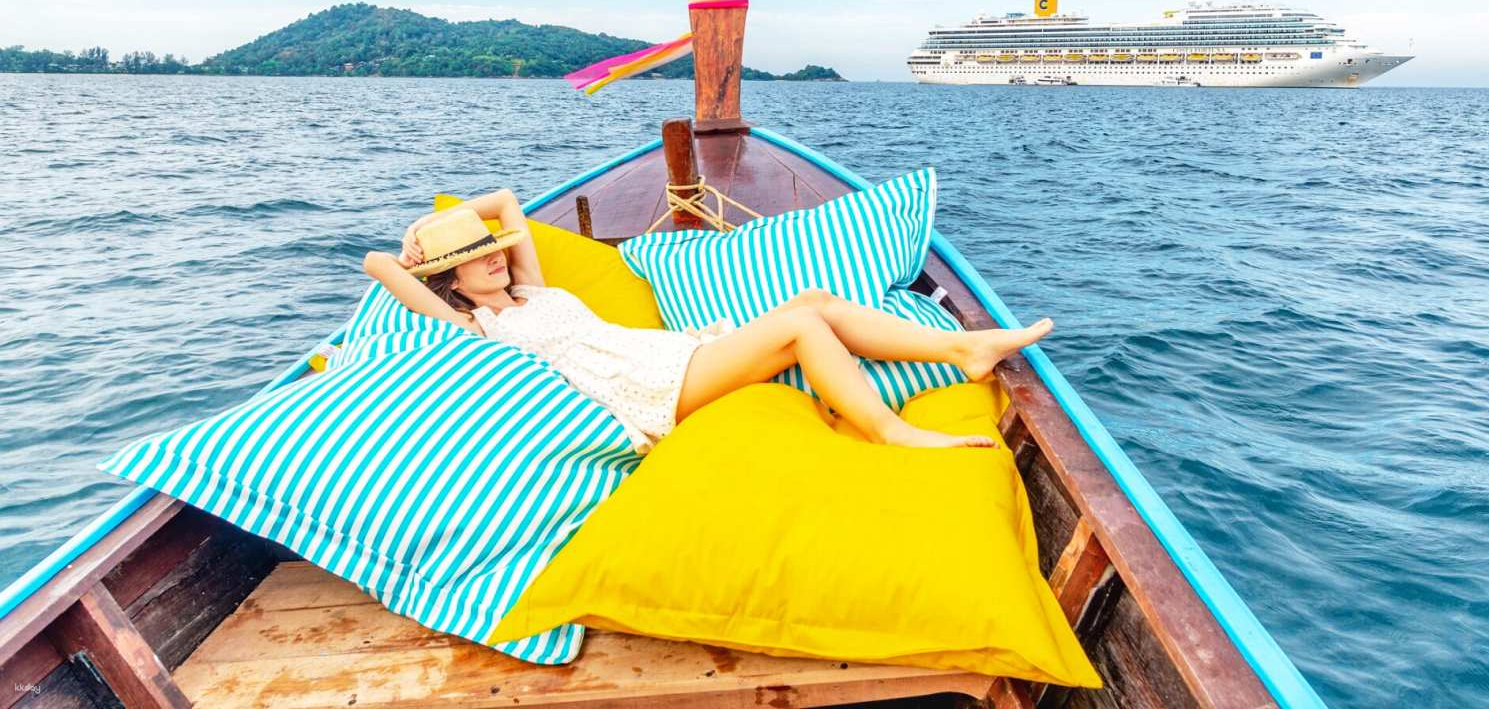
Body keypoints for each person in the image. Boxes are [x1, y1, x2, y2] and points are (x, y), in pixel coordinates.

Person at [363, 188, 1053, 453]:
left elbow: (511, 203)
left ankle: (963, 348)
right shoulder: (477, 328)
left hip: (668, 357)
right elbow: (377, 266)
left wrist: (463, 222)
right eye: (475, 260)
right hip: (653, 394)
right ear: (448, 279)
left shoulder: (530, 293)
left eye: (491, 252)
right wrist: (416, 244)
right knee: (802, 326)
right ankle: (891, 430)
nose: (494, 261)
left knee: (810, 300)